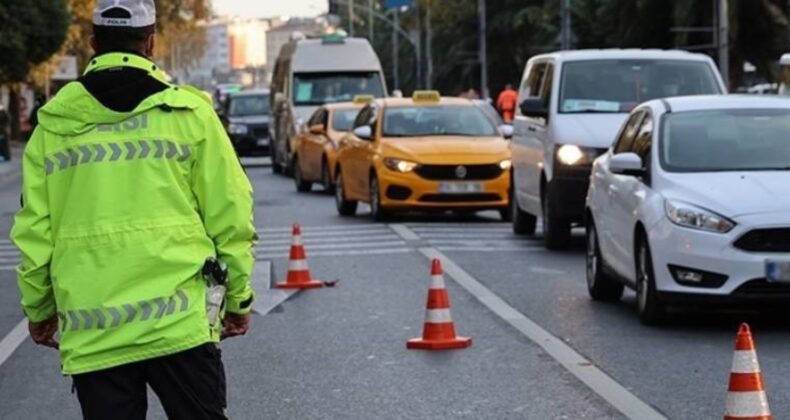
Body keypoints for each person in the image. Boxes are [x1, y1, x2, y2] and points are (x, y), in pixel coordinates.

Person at [11, 1, 256, 419]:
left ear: (92, 43)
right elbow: (230, 215)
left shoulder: (52, 125)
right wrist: (239, 298)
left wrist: (39, 310)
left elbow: (35, 233)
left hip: (96, 334)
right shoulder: (189, 113)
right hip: (179, 326)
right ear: (151, 43)